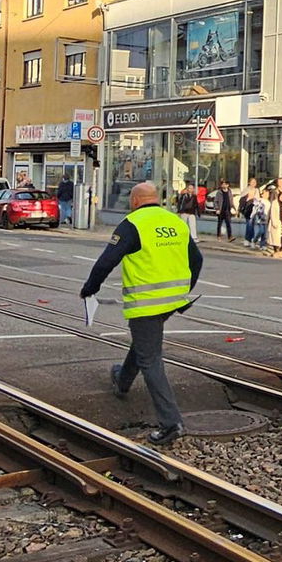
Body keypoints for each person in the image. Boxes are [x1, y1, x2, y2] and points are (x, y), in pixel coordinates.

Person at [79, 181, 202, 445]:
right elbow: (197, 260)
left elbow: (106, 261)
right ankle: (122, 382)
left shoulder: (133, 223)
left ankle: (171, 423)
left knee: (150, 360)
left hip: (146, 304)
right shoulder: (175, 222)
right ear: (156, 198)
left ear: (135, 201)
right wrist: (184, 288)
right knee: (144, 344)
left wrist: (90, 288)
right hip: (173, 301)